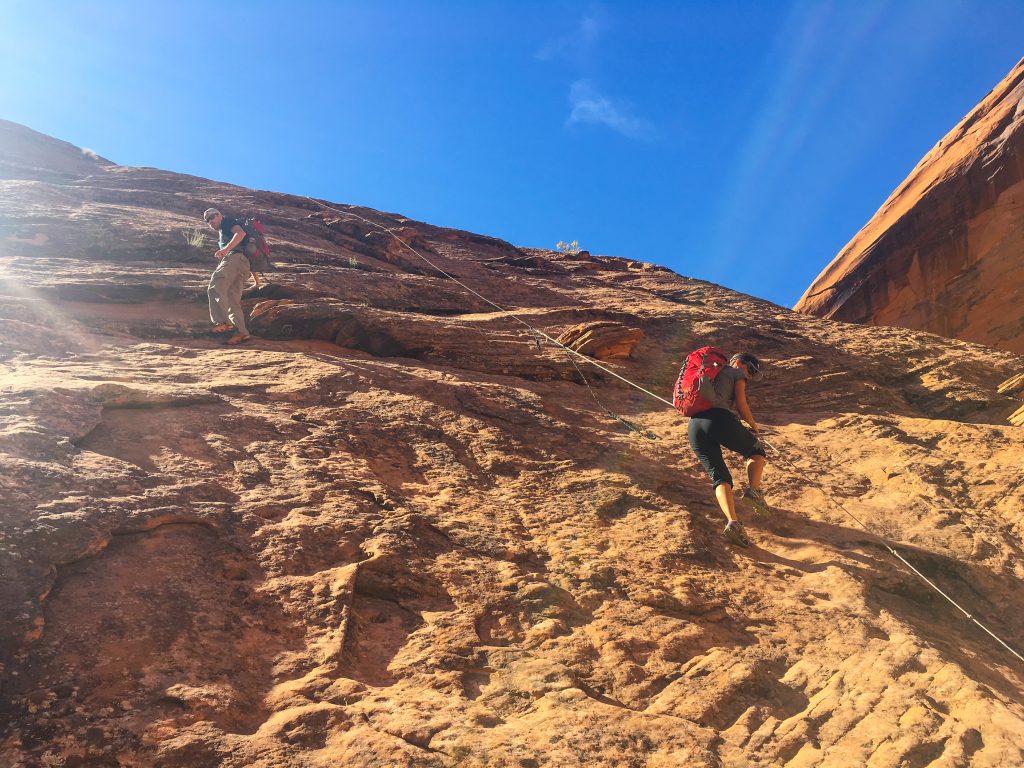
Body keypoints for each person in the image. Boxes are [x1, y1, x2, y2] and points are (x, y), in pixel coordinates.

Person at [687, 352, 768, 547]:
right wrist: (753, 425)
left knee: (720, 476)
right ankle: (754, 491)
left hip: (695, 427)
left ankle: (733, 523)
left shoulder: (710, 374)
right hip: (719, 419)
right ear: (739, 363)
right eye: (750, 371)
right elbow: (741, 404)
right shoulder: (734, 372)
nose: (749, 377)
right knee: (756, 451)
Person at [203, 207, 257, 344]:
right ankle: (242, 333)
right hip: (243, 264)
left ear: (219, 215)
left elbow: (240, 234)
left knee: (215, 286)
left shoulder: (226, 222)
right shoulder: (223, 231)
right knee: (232, 300)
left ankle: (221, 321)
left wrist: (226, 249)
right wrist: (257, 280)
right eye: (207, 220)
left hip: (235, 259)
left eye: (211, 217)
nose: (210, 222)